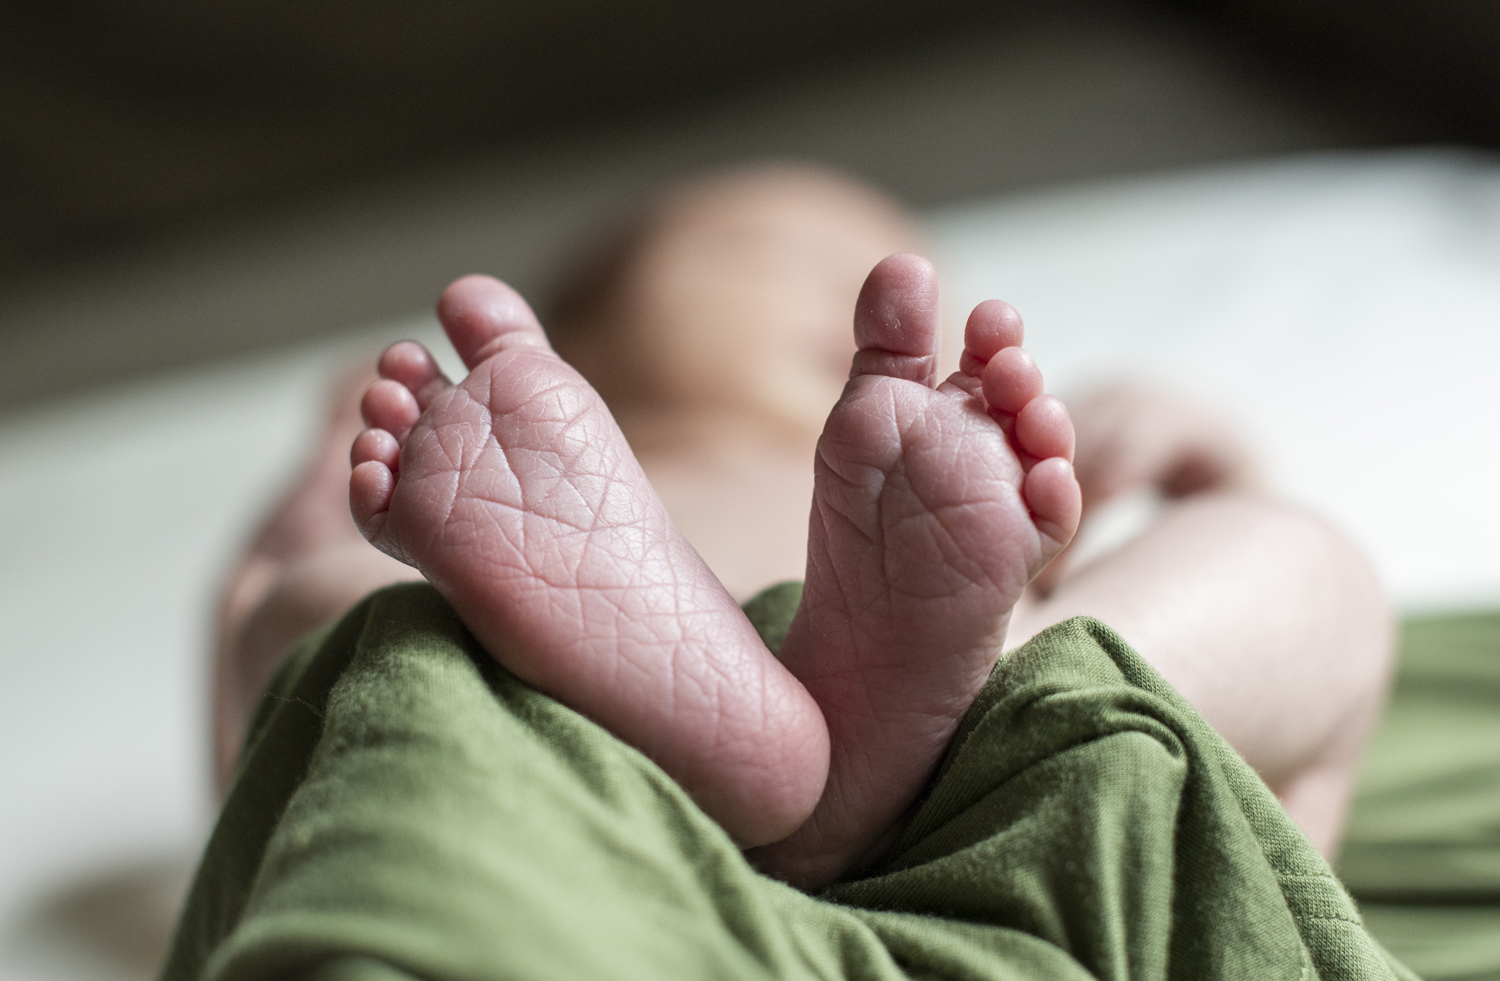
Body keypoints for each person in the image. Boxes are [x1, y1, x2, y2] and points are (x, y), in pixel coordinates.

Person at [212, 165, 1392, 896]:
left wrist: (1195, 462)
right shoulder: (519, 479)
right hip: (584, 728)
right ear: (585, 350)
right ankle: (753, 734)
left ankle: (810, 754)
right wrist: (326, 481)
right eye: (769, 255)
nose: (852, 287)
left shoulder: (959, 488)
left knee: (1289, 555)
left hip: (1008, 720)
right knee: (336, 612)